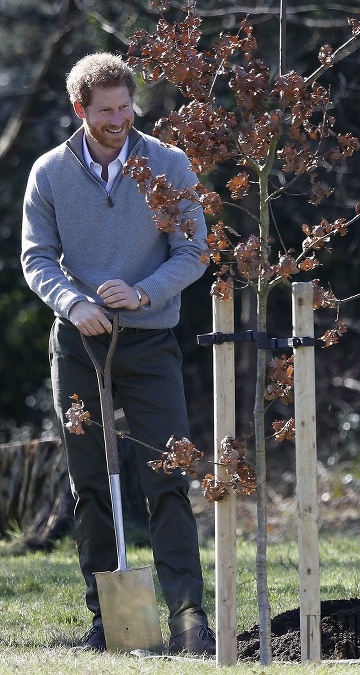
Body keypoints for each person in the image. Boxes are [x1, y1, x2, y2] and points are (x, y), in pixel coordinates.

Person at [21, 52, 215, 655]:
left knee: (169, 475)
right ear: (81, 110)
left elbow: (194, 250)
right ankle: (108, 619)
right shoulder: (49, 173)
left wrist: (142, 292)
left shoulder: (168, 164)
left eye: (126, 107)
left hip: (151, 341)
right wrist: (72, 303)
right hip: (79, 344)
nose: (119, 119)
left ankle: (189, 620)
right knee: (90, 485)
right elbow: (36, 257)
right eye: (105, 111)